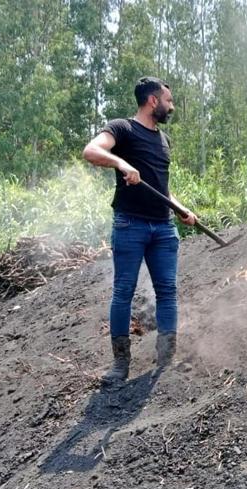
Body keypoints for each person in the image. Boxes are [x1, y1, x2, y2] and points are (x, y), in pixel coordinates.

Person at [82, 76, 197, 385]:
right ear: (152, 101)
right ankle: (120, 363)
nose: (171, 107)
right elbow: (91, 151)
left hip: (163, 226)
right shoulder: (122, 129)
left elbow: (162, 187)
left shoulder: (163, 140)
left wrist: (180, 208)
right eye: (169, 101)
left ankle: (165, 360)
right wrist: (121, 164)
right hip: (130, 223)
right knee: (123, 292)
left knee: (168, 291)